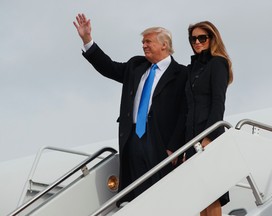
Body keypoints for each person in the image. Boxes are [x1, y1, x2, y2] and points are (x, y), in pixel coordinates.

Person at [73, 14, 187, 205]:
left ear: (164, 45)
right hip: (133, 137)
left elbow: (184, 113)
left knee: (162, 192)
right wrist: (87, 40)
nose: (144, 46)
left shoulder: (182, 73)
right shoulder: (136, 66)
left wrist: (174, 146)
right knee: (137, 191)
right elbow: (108, 67)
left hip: (161, 141)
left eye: (148, 42)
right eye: (143, 42)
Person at [185, 21, 233, 216]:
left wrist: (209, 136)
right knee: (199, 196)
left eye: (202, 38)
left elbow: (218, 102)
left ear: (212, 39)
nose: (197, 42)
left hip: (208, 135)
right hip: (191, 138)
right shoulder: (192, 69)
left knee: (211, 193)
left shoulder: (218, 63)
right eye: (193, 39)